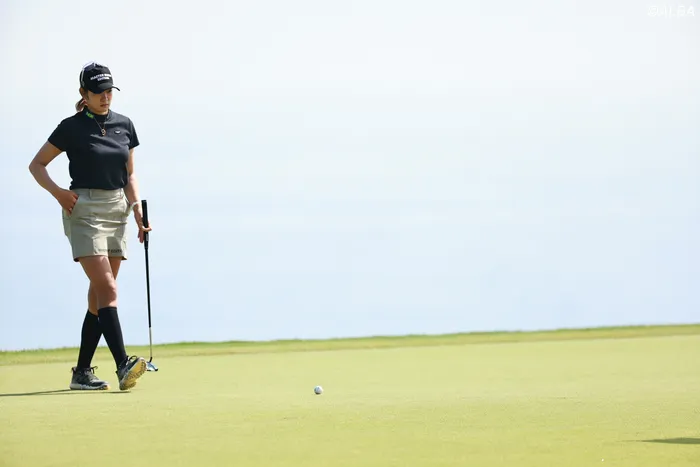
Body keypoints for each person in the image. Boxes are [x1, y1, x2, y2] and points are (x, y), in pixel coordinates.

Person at [28, 62, 152, 391]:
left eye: (109, 91)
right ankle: (123, 364)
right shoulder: (71, 127)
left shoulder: (125, 125)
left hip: (117, 210)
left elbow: (130, 175)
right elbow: (37, 165)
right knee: (108, 288)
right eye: (98, 92)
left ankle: (81, 372)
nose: (105, 97)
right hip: (83, 211)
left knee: (99, 295)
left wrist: (137, 210)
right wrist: (58, 193)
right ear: (84, 93)